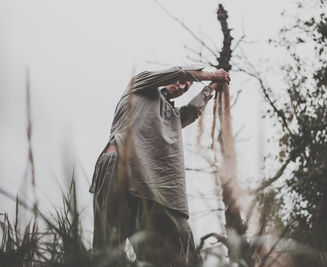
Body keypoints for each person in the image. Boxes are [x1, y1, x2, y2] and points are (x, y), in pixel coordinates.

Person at [89, 66, 230, 266]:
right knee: (109, 246)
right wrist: (211, 74)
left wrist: (213, 86)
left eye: (186, 87)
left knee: (176, 248)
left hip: (148, 184)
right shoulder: (141, 85)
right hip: (117, 165)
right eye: (181, 82)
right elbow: (179, 72)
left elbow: (192, 110)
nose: (182, 87)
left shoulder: (172, 116)